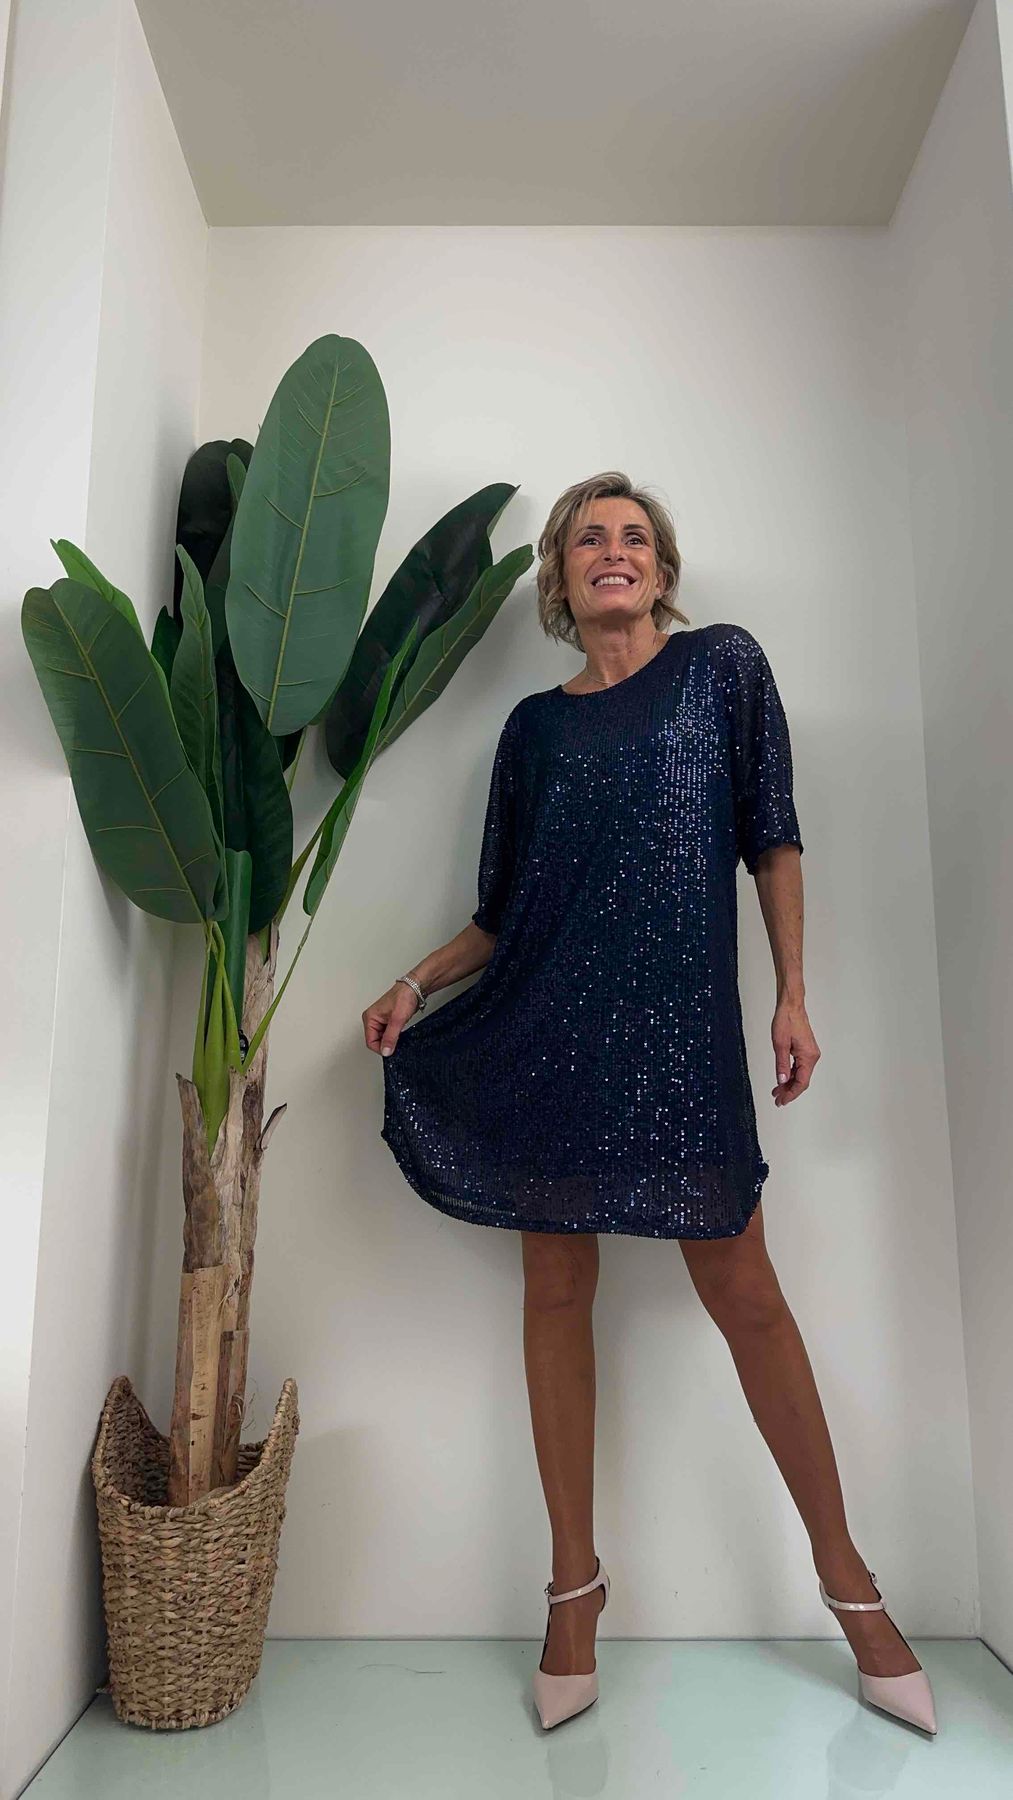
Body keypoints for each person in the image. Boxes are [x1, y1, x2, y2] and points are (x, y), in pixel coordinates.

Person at [363, 472, 937, 1736]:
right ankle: (572, 1591)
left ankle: (847, 1583)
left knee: (747, 1298)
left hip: (681, 1049)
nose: (610, 552)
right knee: (553, 1292)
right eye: (587, 539)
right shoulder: (531, 731)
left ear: (661, 573)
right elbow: (502, 916)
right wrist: (413, 981)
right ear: (560, 580)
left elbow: (770, 836)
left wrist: (792, 994)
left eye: (632, 538)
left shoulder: (721, 669)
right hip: (550, 1040)